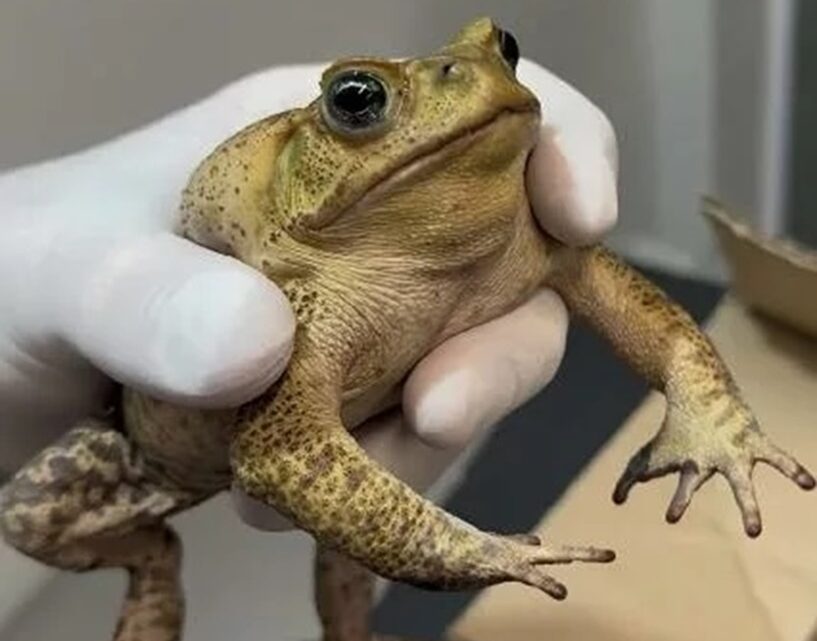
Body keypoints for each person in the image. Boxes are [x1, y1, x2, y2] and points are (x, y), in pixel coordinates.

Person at [0, 58, 618, 532]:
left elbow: (628, 303)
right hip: (126, 447)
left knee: (348, 547)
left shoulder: (514, 239)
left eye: (503, 55)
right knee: (30, 519)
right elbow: (281, 457)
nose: (478, 76)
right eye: (360, 101)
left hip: (353, 434)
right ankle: (150, 563)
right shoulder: (294, 298)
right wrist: (472, 550)